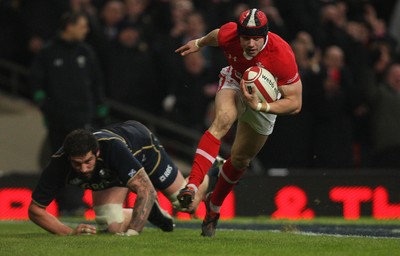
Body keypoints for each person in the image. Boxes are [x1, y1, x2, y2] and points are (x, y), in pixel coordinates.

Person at [175, 8, 302, 237]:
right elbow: (216, 35)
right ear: (239, 35)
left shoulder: (282, 55)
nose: (251, 44)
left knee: (241, 159)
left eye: (256, 38)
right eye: (246, 38)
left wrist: (261, 106)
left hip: (265, 100)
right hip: (235, 79)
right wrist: (200, 43)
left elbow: (295, 103)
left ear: (265, 35)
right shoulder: (229, 34)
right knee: (221, 121)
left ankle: (213, 206)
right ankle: (192, 185)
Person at [28, 120, 214, 236]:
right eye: (77, 164)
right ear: (68, 158)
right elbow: (36, 210)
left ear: (97, 152)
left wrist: (133, 232)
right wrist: (68, 233)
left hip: (142, 147)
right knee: (110, 225)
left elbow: (146, 189)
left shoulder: (113, 149)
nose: (83, 169)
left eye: (87, 161)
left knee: (185, 205)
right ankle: (150, 211)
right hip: (114, 171)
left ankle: (206, 174)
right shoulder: (59, 163)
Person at [30, 11, 108, 216]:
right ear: (69, 27)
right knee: (60, 163)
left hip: (83, 121)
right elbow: (37, 83)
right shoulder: (48, 52)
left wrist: (100, 105)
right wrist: (44, 106)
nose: (86, 30)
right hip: (58, 122)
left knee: (83, 163)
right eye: (82, 26)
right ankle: (63, 205)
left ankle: (77, 204)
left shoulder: (86, 52)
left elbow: (97, 82)